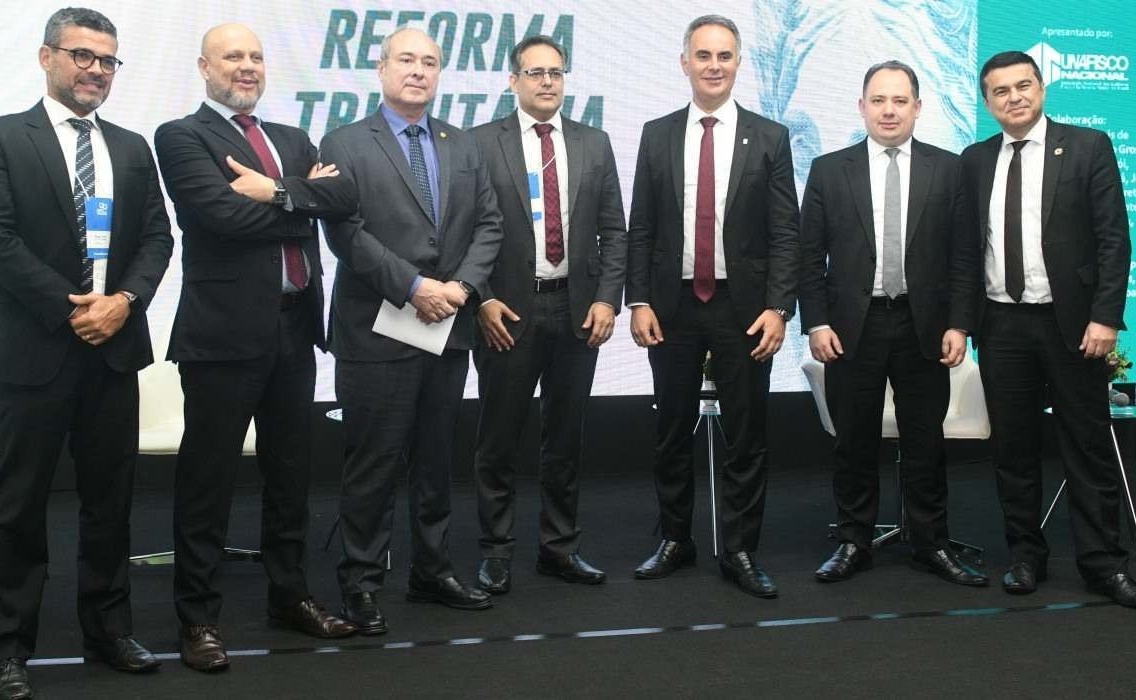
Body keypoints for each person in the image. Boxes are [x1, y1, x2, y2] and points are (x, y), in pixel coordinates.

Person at [229, 26, 503, 632]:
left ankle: (432, 570)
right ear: (381, 69)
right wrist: (415, 286)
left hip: (447, 325)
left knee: (436, 461)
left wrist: (460, 289)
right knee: (372, 463)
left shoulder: (462, 143)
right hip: (377, 327)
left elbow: (489, 224)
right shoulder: (346, 142)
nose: (418, 71)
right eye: (406, 59)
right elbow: (345, 232)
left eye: (429, 62)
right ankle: (361, 582)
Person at [0, 8, 173, 698]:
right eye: (83, 56)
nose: (96, 71)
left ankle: (109, 632)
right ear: (46, 57)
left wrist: (125, 301)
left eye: (107, 60)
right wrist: (73, 307)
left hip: (113, 349)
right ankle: (8, 650)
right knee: (17, 508)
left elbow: (158, 239)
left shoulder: (131, 147)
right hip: (31, 350)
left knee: (110, 504)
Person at [153, 23, 356, 673]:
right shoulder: (181, 136)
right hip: (222, 337)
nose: (247, 66)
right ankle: (198, 618)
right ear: (204, 66)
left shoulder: (292, 139)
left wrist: (275, 191)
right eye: (233, 56)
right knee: (207, 482)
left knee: (290, 476)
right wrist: (303, 201)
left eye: (256, 56)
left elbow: (342, 197)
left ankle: (290, 596)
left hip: (295, 330)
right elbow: (221, 216)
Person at [626, 14, 799, 598]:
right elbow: (641, 227)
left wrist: (779, 307)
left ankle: (741, 548)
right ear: (685, 63)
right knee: (670, 430)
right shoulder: (656, 134)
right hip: (672, 307)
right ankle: (676, 538)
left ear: (739, 63)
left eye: (725, 55)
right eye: (703, 55)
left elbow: (785, 232)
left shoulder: (769, 137)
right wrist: (638, 300)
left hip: (743, 310)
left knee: (746, 434)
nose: (714, 65)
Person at [799, 61, 986, 586]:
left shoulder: (948, 169)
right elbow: (809, 256)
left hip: (924, 326)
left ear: (917, 108)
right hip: (850, 328)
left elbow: (964, 256)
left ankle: (931, 543)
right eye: (878, 100)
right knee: (853, 441)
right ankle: (853, 542)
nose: (889, 110)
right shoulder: (828, 170)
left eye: (900, 101)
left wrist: (960, 324)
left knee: (925, 441)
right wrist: (816, 322)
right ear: (861, 107)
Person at [963, 51, 1136, 607]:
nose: (1013, 97)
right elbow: (966, 251)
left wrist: (1105, 316)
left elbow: (1114, 239)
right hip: (1001, 326)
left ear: (1041, 87)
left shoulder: (1087, 147)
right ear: (987, 102)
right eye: (1000, 91)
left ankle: (1104, 563)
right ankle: (1024, 555)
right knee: (1012, 449)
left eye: (1023, 85)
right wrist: (962, 323)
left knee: (1087, 446)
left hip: (1074, 326)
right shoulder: (974, 160)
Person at [468, 36, 627, 595]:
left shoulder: (593, 142)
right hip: (507, 311)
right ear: (513, 81)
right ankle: (496, 551)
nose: (546, 82)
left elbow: (615, 231)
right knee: (498, 439)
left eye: (555, 72)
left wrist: (607, 299)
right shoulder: (480, 143)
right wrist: (481, 298)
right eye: (535, 72)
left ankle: (559, 548)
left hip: (578, 310)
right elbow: (464, 232)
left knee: (565, 439)